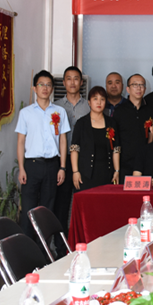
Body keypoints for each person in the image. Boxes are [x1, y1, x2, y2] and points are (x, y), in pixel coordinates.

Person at [16, 70, 70, 240]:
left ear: (52, 88)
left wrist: (62, 167)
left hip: (52, 165)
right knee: (28, 209)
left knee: (47, 210)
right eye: (41, 85)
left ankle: (44, 250)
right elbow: (21, 142)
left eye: (48, 85)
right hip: (31, 165)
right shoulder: (26, 113)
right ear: (34, 88)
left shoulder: (60, 112)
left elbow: (63, 141)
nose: (45, 88)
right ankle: (27, 249)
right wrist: (21, 168)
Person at [53, 65, 90, 254]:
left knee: (81, 201)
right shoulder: (55, 107)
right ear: (64, 82)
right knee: (61, 202)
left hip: (83, 160)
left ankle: (81, 243)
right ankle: (60, 247)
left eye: (76, 78)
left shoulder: (89, 105)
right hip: (62, 160)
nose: (72, 82)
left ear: (81, 82)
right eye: (69, 78)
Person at [70, 86, 121, 191]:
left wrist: (117, 170)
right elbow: (75, 148)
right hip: (85, 174)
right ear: (89, 102)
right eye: (95, 99)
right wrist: (75, 171)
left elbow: (116, 149)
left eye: (102, 99)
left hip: (107, 173)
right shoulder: (81, 123)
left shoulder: (111, 123)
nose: (99, 102)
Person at [113, 74, 152, 182]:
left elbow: (151, 136)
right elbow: (115, 140)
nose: (139, 88)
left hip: (145, 163)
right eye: (135, 85)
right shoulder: (119, 111)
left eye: (141, 85)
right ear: (128, 89)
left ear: (145, 89)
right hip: (124, 164)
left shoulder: (149, 111)